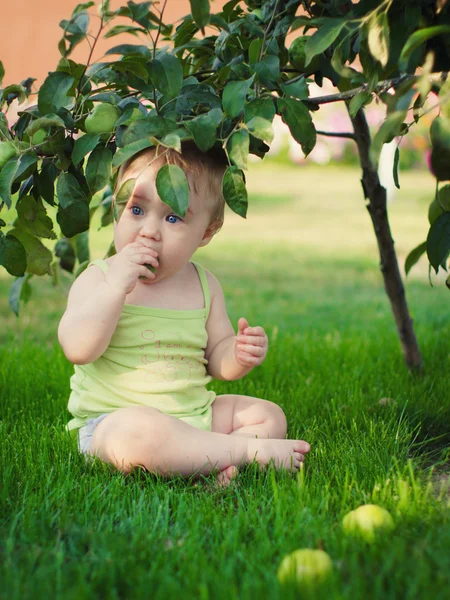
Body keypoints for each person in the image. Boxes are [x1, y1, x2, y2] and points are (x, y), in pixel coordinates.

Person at [58, 143, 310, 486]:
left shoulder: (204, 286)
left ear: (206, 232)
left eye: (173, 217)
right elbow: (78, 348)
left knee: (268, 415)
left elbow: (215, 359)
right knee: (139, 434)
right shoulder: (99, 278)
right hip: (112, 423)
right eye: (136, 210)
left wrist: (237, 354)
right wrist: (116, 288)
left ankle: (202, 457)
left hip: (195, 416)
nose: (149, 230)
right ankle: (240, 453)